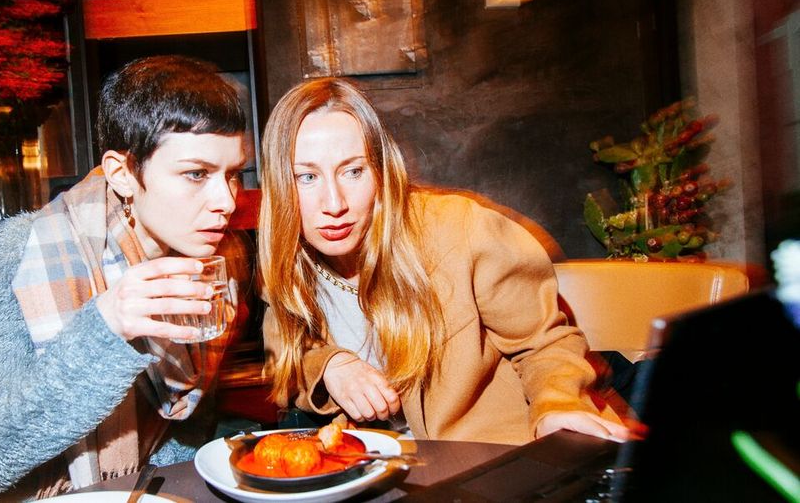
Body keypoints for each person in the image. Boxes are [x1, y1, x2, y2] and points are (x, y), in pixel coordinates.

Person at [0, 55, 249, 501]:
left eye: (233, 174)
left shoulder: (218, 259)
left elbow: (180, 423)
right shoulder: (21, 250)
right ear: (122, 174)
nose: (227, 201)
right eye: (196, 174)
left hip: (129, 489)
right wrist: (106, 325)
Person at [258, 78, 631, 445]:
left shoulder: (462, 230)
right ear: (279, 185)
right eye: (306, 177)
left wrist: (558, 405)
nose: (334, 203)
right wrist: (330, 367)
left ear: (381, 170)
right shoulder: (288, 262)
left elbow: (545, 343)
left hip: (496, 456)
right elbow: (287, 359)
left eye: (353, 171)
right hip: (383, 465)